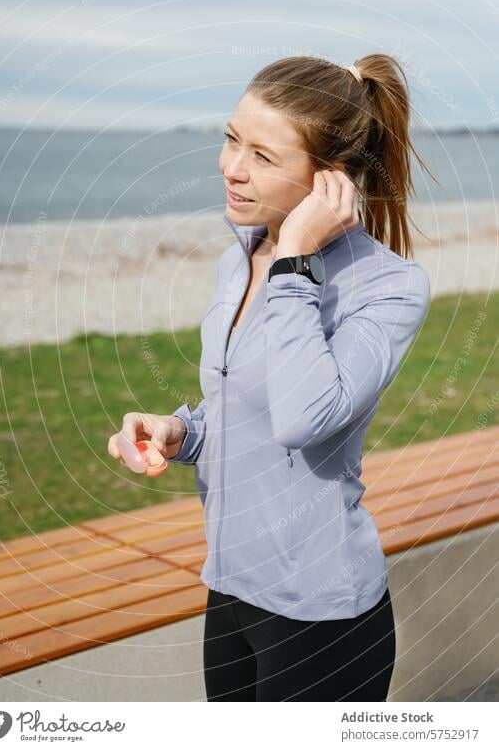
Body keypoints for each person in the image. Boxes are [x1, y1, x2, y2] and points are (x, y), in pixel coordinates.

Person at [108, 54, 434, 701]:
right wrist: (183, 431)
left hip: (320, 617)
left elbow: (302, 417)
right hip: (229, 592)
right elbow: (246, 409)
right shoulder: (241, 257)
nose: (232, 166)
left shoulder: (390, 287)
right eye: (232, 138)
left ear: (328, 179)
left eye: (262, 154)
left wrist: (296, 261)